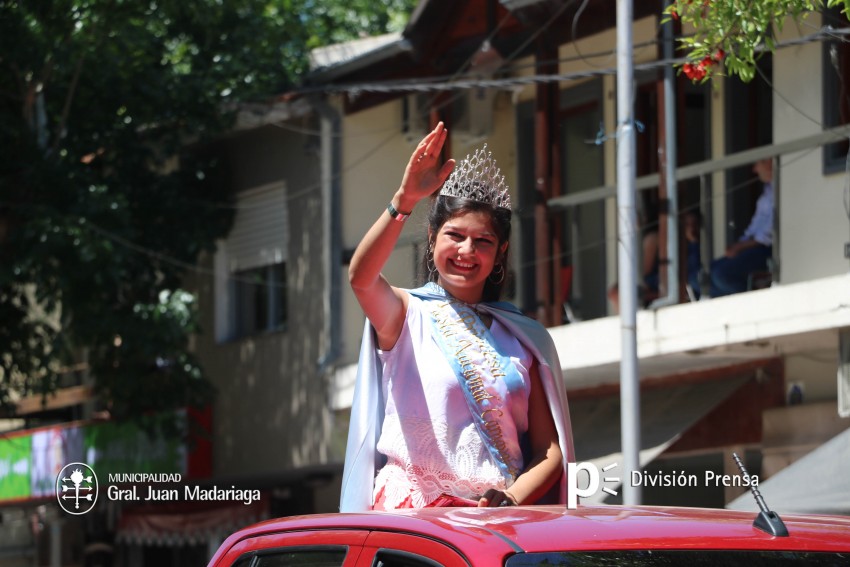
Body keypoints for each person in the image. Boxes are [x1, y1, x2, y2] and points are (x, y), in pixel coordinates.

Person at [340, 122, 573, 512]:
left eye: (483, 241)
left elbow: (550, 452)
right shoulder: (406, 314)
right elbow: (361, 278)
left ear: (500, 252)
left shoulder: (523, 338)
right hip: (411, 520)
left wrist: (511, 497)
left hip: (491, 523)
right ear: (432, 238)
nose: (467, 250)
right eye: (455, 235)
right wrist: (404, 199)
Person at [607, 209, 702, 313]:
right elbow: (647, 278)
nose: (691, 228)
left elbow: (693, 273)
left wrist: (693, 242)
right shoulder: (654, 239)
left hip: (676, 288)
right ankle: (626, 323)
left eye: (694, 224)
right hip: (659, 286)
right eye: (687, 224)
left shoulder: (692, 246)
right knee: (615, 292)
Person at [709, 158, 774, 297]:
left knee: (721, 275)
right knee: (702, 275)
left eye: (758, 163)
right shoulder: (767, 191)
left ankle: (752, 304)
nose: (754, 169)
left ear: (770, 162)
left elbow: (767, 235)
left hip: (767, 250)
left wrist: (740, 247)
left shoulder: (780, 189)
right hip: (751, 246)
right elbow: (754, 228)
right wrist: (738, 244)